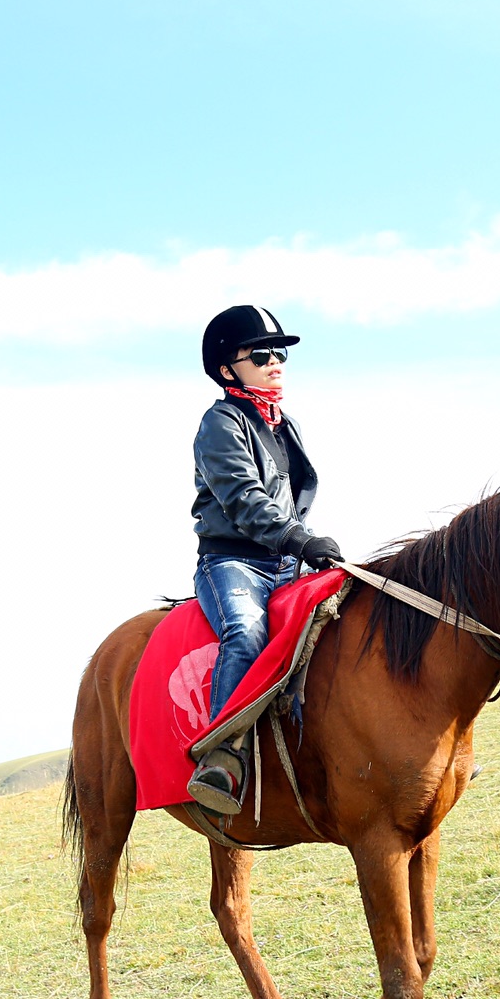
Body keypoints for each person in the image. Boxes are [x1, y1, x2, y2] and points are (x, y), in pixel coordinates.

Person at [188, 305, 344, 814]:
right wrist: (300, 539)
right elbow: (244, 499)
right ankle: (222, 754)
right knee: (248, 634)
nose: (276, 361)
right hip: (233, 563)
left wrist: (304, 544)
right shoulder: (219, 424)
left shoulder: (284, 424)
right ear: (228, 368)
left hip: (286, 559)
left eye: (280, 353)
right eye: (261, 354)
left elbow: (290, 498)